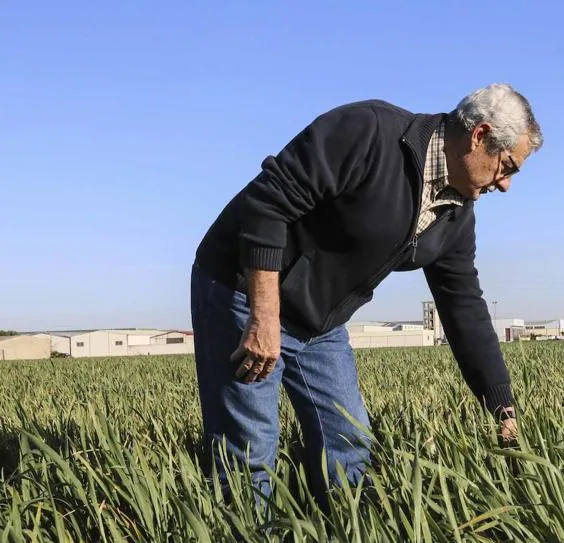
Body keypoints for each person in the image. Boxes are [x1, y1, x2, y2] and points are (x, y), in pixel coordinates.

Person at [189, 83, 543, 511]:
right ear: (480, 135)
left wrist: (501, 404)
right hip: (245, 287)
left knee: (348, 436)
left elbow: (463, 303)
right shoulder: (369, 132)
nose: (505, 184)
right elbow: (267, 203)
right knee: (250, 446)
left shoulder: (456, 213)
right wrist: (264, 315)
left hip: (320, 316)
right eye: (508, 166)